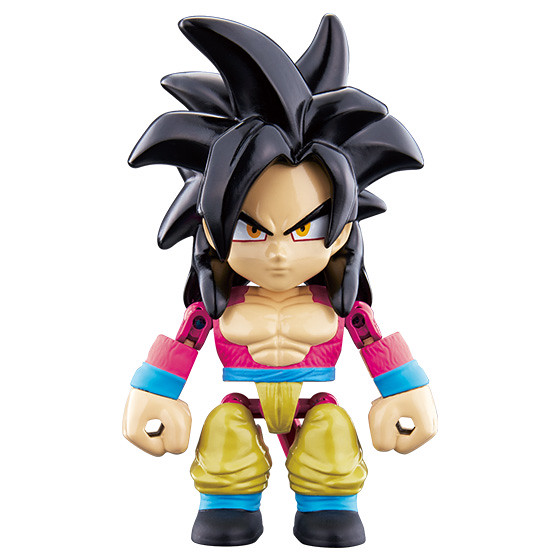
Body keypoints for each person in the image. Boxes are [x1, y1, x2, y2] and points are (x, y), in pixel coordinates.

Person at [122, 15, 438, 548]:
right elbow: (185, 343)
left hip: (316, 408)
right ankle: (228, 506)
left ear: (342, 229)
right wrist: (151, 397)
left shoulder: (338, 303)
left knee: (331, 439)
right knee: (225, 437)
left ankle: (328, 509)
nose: (276, 252)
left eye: (304, 228)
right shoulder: (217, 304)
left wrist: (408, 393)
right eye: (251, 228)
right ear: (211, 226)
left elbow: (372, 341)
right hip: (241, 405)